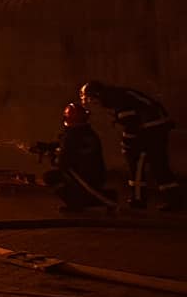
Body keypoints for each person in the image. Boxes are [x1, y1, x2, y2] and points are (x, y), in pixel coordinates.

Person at [81, 82, 183, 211]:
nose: (89, 102)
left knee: (137, 162)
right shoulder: (118, 95)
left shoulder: (114, 99)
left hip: (151, 129)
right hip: (157, 126)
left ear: (96, 95)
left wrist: (128, 143)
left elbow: (131, 123)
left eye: (89, 99)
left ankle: (139, 200)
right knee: (159, 164)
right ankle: (173, 199)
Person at [33, 100, 112, 213]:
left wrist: (51, 157)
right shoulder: (87, 132)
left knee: (50, 177)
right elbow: (65, 147)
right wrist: (47, 147)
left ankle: (75, 204)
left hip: (80, 177)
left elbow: (63, 162)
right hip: (96, 175)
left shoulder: (72, 135)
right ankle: (105, 197)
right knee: (83, 187)